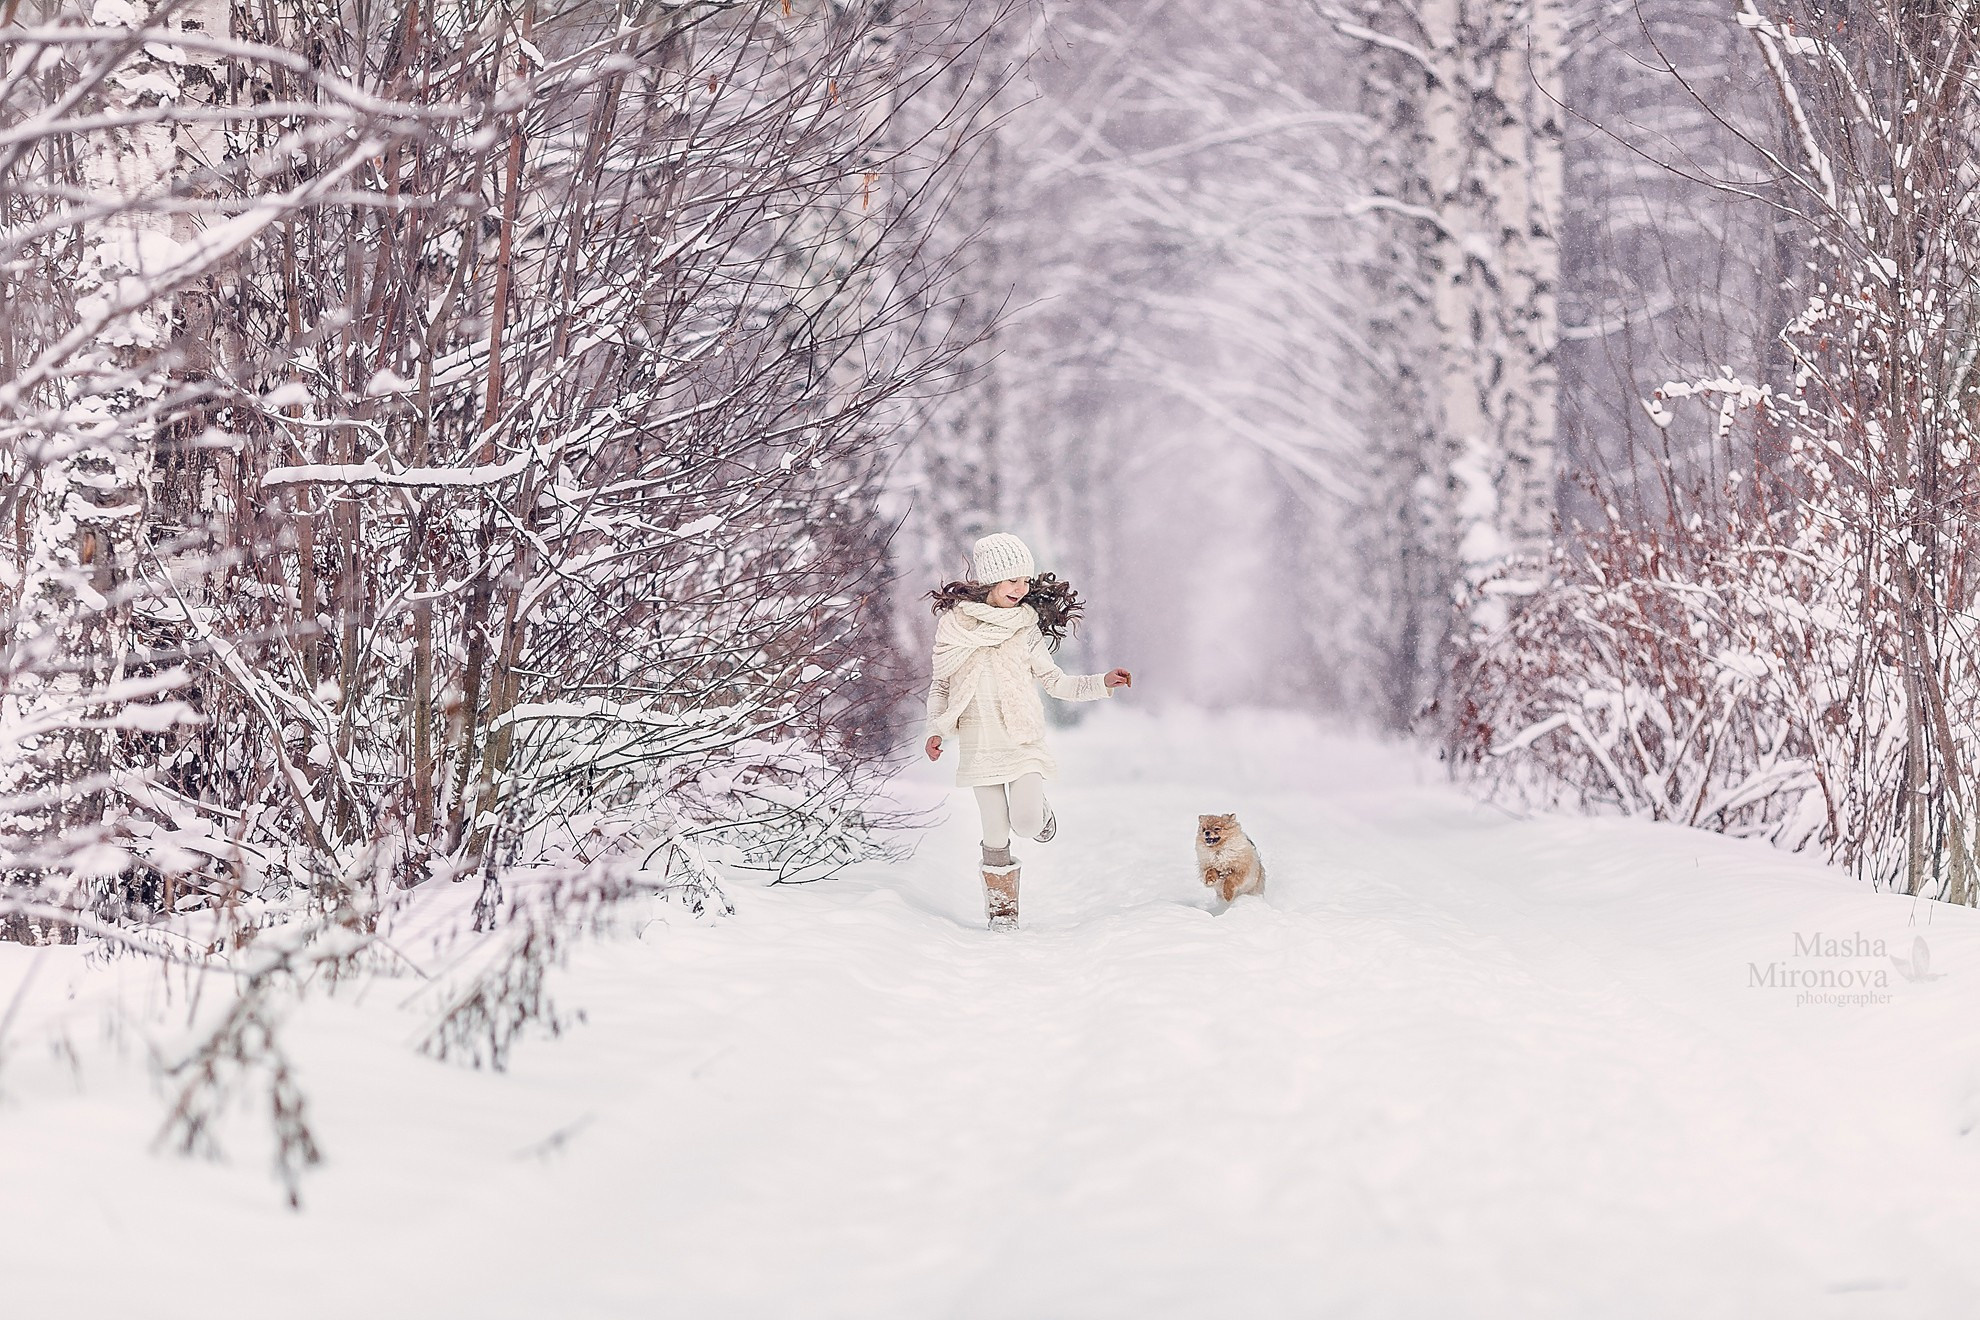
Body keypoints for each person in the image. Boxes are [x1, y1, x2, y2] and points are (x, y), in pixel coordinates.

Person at [923, 532, 1131, 930]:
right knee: (995, 834)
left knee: (1027, 824)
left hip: (1022, 741)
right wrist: (936, 730)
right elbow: (941, 685)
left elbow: (1055, 682)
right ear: (990, 581)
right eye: (1012, 580)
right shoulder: (954, 628)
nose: (1021, 589)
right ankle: (1003, 913)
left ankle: (1039, 809)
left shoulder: (1026, 627)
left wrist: (1101, 682)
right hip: (979, 743)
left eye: (1025, 581)